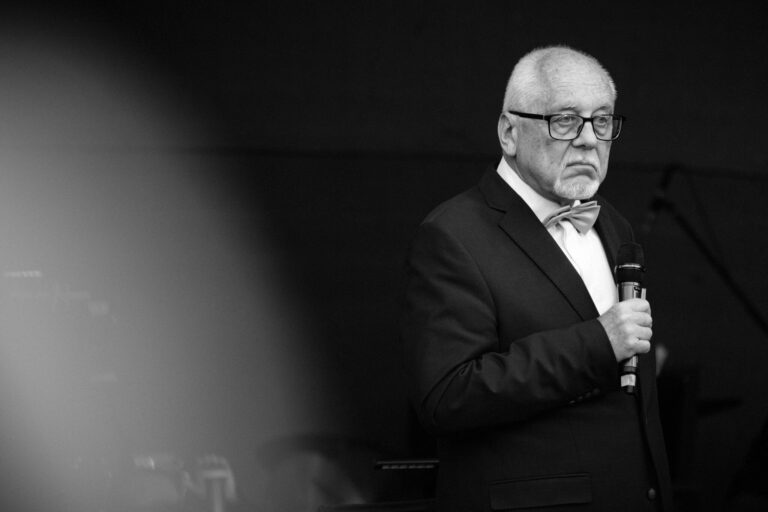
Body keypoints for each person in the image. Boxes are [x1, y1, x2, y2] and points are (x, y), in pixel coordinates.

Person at [401, 46, 673, 511]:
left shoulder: (613, 223)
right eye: (564, 120)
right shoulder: (452, 234)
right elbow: (445, 397)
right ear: (509, 132)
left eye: (602, 120)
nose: (588, 140)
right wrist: (597, 344)